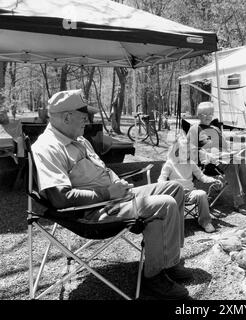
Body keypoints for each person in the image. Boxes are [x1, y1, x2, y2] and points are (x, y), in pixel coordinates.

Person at [31, 89, 191, 300]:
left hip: (114, 198)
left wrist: (116, 182)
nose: (88, 121)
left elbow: (102, 169)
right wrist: (107, 192)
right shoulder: (47, 148)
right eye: (84, 116)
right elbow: (60, 198)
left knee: (175, 188)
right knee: (165, 203)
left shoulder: (79, 139)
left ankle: (168, 263)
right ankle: (154, 278)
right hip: (93, 212)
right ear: (67, 116)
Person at [187, 101, 246, 216]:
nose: (208, 116)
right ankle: (238, 203)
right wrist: (206, 154)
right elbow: (191, 150)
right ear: (198, 115)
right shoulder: (194, 129)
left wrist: (232, 152)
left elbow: (225, 147)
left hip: (223, 158)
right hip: (207, 163)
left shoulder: (216, 129)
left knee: (242, 160)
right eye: (205, 114)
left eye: (210, 114)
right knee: (232, 163)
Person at [158, 136, 223, 233]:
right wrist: (163, 185)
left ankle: (205, 222)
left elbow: (201, 176)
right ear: (176, 151)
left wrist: (213, 180)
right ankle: (174, 223)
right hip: (175, 193)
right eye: (184, 152)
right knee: (173, 193)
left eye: (188, 152)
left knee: (201, 194)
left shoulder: (191, 163)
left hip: (190, 193)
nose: (186, 155)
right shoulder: (170, 163)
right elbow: (162, 178)